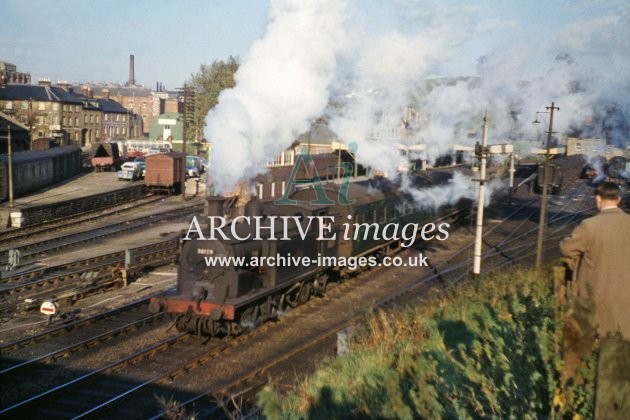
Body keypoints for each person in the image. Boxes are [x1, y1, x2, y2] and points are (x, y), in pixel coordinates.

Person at [560, 181, 630, 339]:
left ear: (597, 200)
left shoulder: (590, 225)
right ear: (618, 199)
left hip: (598, 294)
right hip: (627, 295)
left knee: (597, 340)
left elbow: (567, 249)